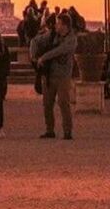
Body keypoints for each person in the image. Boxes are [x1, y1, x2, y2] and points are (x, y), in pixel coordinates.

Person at [33, 12, 77, 140]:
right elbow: (36, 40)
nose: (55, 25)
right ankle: (49, 130)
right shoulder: (52, 35)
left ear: (65, 25)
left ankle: (67, 131)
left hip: (63, 76)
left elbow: (60, 50)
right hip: (50, 74)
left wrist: (43, 57)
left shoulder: (71, 39)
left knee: (64, 103)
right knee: (47, 104)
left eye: (58, 23)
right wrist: (34, 54)